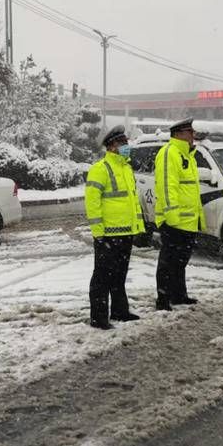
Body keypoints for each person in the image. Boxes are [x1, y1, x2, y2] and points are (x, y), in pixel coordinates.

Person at [84, 125, 145, 330]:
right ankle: (99, 318)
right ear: (111, 146)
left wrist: (137, 226)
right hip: (108, 234)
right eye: (122, 143)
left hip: (125, 231)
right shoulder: (100, 169)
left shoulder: (126, 168)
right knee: (102, 277)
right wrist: (98, 233)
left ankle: (120, 311)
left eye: (126, 142)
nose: (126, 146)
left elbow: (132, 201)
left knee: (120, 275)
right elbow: (92, 203)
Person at [153, 117, 206, 310]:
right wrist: (172, 217)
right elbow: (168, 187)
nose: (193, 136)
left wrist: (198, 216)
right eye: (190, 132)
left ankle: (178, 295)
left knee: (180, 262)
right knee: (168, 261)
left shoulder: (188, 155)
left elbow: (191, 190)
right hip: (174, 221)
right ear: (179, 134)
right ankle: (163, 299)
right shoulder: (169, 153)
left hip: (188, 221)